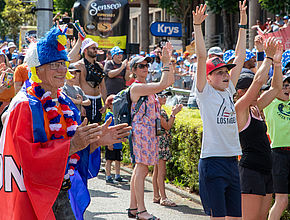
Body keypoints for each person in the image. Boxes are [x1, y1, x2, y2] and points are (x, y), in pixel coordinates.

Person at [0, 26, 131, 220]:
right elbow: (27, 159)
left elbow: (72, 152)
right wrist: (74, 144)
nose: (62, 69)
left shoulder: (65, 102)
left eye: (63, 62)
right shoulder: (25, 105)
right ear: (38, 69)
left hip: (62, 193)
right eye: (54, 64)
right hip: (34, 199)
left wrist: (95, 142)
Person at [194, 1, 247, 219]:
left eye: (226, 71)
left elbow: (240, 57)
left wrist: (243, 23)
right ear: (207, 77)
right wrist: (197, 27)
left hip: (232, 161)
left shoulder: (228, 90)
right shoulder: (204, 92)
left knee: (235, 217)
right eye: (219, 72)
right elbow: (201, 57)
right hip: (212, 162)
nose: (225, 75)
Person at [234, 38, 283, 220]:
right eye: (254, 91)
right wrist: (266, 57)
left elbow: (276, 88)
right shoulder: (240, 109)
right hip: (250, 171)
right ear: (241, 92)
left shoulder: (256, 107)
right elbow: (257, 81)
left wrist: (277, 64)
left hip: (265, 168)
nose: (259, 93)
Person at [127, 42, 175, 220]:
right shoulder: (137, 87)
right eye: (141, 65)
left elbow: (168, 81)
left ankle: (133, 208)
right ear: (134, 70)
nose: (145, 68)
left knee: (140, 170)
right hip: (142, 132)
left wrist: (168, 61)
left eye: (147, 65)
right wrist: (165, 63)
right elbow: (163, 84)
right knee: (141, 170)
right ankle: (141, 211)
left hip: (149, 132)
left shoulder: (146, 87)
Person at [265, 73, 290, 220]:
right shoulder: (271, 103)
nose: (287, 88)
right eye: (284, 85)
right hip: (278, 155)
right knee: (282, 201)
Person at [152, 90, 182, 207]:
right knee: (161, 172)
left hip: (156, 141)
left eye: (166, 95)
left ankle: (156, 196)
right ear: (156, 97)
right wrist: (174, 114)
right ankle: (163, 198)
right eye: (162, 96)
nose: (165, 98)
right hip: (161, 142)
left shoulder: (155, 108)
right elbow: (167, 126)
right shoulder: (159, 110)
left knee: (156, 170)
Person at [73, 38, 107, 124]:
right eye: (93, 48)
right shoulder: (79, 65)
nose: (95, 50)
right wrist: (81, 105)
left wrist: (105, 103)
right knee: (84, 127)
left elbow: (103, 86)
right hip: (85, 100)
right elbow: (76, 87)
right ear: (85, 50)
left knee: (97, 127)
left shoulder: (99, 66)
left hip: (97, 100)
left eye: (96, 48)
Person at [104, 95, 129, 185]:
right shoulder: (109, 116)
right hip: (111, 141)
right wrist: (108, 143)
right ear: (109, 105)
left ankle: (117, 175)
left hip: (118, 142)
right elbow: (106, 130)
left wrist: (123, 138)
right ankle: (108, 176)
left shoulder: (119, 116)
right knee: (109, 160)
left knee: (118, 159)